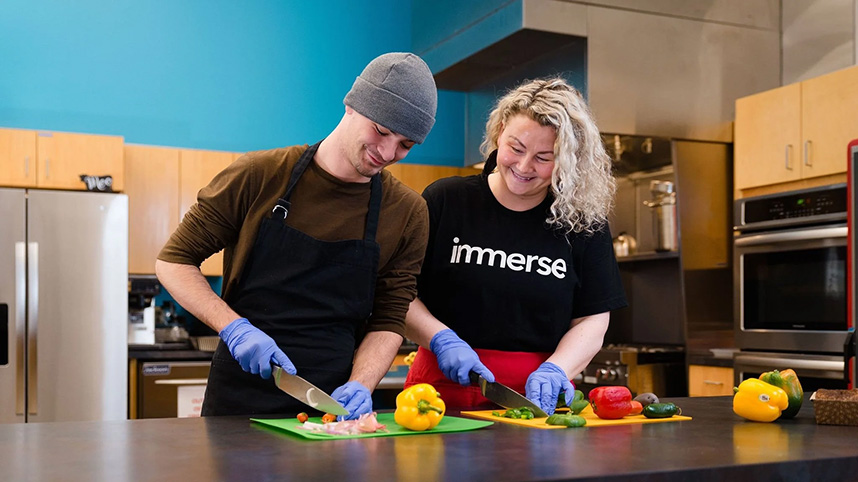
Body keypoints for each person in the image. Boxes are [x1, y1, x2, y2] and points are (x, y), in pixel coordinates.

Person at [155, 52, 437, 419]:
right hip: (238, 399)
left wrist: (361, 385)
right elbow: (174, 261)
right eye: (381, 131)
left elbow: (389, 317)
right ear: (351, 105)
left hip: (330, 405)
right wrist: (234, 328)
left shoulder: (408, 212)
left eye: (405, 145)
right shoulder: (259, 174)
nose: (386, 152)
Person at [403, 77, 627, 415]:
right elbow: (401, 292)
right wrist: (440, 339)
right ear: (498, 134)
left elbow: (593, 319)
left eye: (543, 157)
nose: (524, 167)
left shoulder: (583, 223)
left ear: (569, 161)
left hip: (537, 399)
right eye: (516, 148)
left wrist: (557, 370)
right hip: (437, 392)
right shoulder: (445, 200)